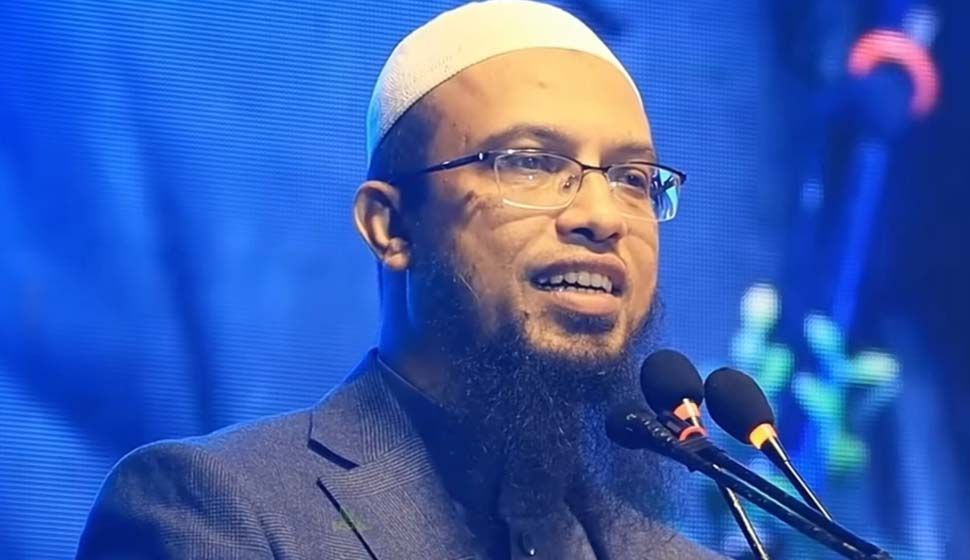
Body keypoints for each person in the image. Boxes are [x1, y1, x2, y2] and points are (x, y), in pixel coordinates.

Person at [77, 1, 725, 558]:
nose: (602, 216)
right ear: (390, 225)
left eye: (632, 179)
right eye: (530, 162)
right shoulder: (215, 509)